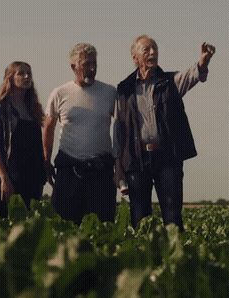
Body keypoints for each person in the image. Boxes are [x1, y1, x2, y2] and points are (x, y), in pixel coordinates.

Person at [113, 35, 216, 229]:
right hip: (137, 160)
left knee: (172, 216)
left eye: (155, 49)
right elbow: (118, 131)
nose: (153, 53)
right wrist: (119, 170)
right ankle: (145, 258)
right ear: (135, 58)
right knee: (140, 220)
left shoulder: (170, 82)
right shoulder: (124, 90)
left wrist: (203, 63)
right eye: (147, 50)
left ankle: (173, 258)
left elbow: (192, 75)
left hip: (168, 158)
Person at [43, 43, 117, 224]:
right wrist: (45, 160)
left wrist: (120, 165)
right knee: (65, 225)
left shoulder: (109, 92)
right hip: (69, 171)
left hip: (101, 172)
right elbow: (48, 127)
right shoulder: (59, 93)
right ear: (73, 66)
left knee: (102, 225)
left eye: (94, 64)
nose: (92, 69)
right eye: (86, 64)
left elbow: (123, 127)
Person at [0, 61, 46, 217]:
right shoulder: (0, 106)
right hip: (10, 176)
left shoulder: (33, 108)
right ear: (10, 78)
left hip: (32, 178)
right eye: (21, 73)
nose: (27, 77)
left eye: (29, 73)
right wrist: (4, 178)